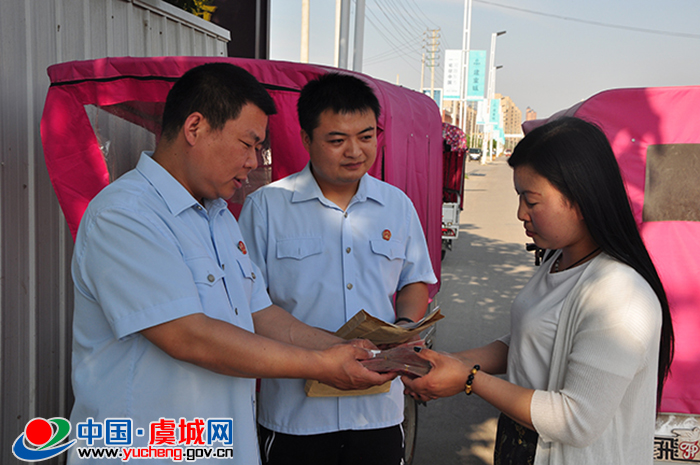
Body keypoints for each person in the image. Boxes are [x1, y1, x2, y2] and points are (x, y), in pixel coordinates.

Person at [67, 63, 394, 465]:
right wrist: (322, 365)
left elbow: (261, 314)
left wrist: (342, 348)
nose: (254, 161)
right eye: (248, 144)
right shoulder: (126, 215)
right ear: (195, 127)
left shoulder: (219, 217)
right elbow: (187, 336)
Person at [403, 117, 674, 465]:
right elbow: (530, 340)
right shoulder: (559, 259)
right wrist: (450, 363)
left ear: (580, 198)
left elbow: (575, 420)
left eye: (531, 201)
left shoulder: (619, 295)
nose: (521, 214)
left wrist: (469, 379)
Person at [238, 72, 437, 465]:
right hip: (296, 416)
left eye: (366, 136)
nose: (355, 151)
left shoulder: (397, 205)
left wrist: (403, 327)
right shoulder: (266, 208)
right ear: (306, 138)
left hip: (378, 412)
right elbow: (248, 301)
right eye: (337, 140)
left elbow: (415, 279)